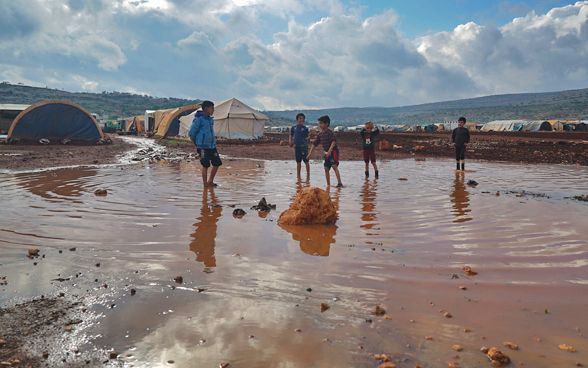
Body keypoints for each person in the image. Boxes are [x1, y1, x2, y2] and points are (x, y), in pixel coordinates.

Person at [189, 100, 221, 187]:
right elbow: (191, 133)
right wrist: (197, 143)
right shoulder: (199, 120)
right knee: (205, 165)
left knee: (217, 163)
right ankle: (205, 185)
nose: (213, 110)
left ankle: (210, 181)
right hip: (202, 147)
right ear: (206, 109)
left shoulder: (210, 120)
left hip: (212, 146)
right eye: (212, 108)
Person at [307, 115, 343, 188]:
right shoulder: (320, 134)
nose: (320, 125)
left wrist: (330, 151)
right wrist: (310, 154)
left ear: (326, 124)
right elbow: (314, 144)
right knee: (326, 168)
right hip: (326, 153)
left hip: (333, 152)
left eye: (321, 123)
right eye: (319, 123)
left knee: (334, 166)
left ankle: (339, 183)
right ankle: (328, 185)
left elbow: (333, 142)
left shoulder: (330, 132)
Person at [289, 113, 310, 181]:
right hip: (296, 147)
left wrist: (310, 136)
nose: (301, 119)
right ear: (297, 119)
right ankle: (298, 176)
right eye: (300, 118)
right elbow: (291, 135)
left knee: (306, 161)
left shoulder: (305, 128)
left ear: (304, 120)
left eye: (302, 118)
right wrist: (290, 141)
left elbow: (307, 137)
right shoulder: (293, 128)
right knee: (298, 162)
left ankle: (308, 176)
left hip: (303, 147)